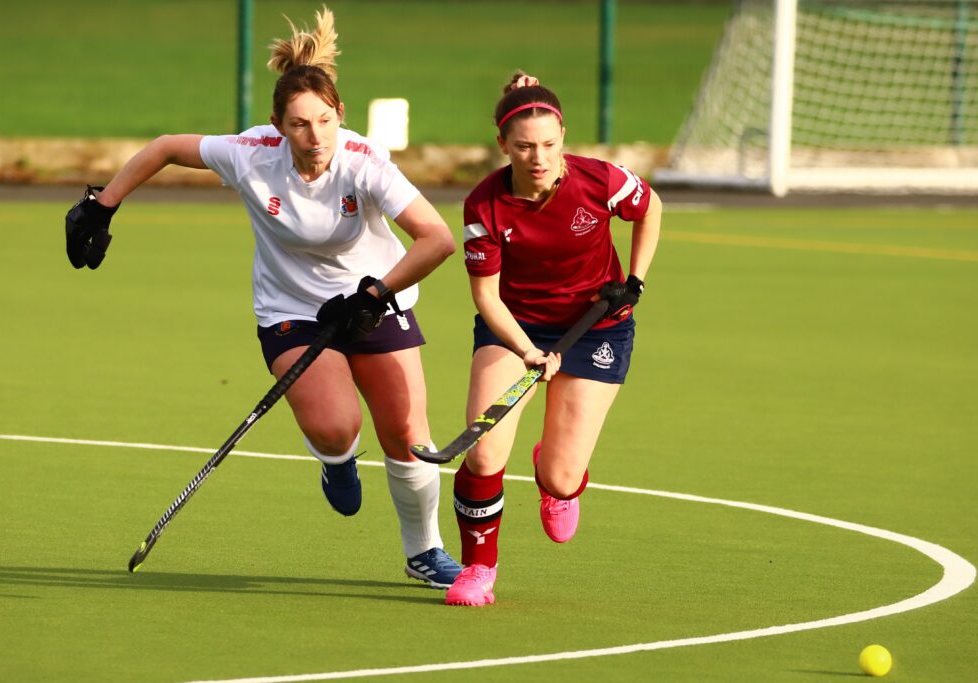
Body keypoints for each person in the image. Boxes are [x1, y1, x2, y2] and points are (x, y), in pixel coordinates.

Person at [63, 6, 463, 588]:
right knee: (335, 426)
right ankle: (336, 462)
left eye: (324, 120)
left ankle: (423, 551)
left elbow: (438, 239)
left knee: (406, 433)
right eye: (299, 124)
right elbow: (166, 147)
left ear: (340, 114)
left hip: (375, 300)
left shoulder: (363, 161)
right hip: (292, 310)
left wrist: (376, 292)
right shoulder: (250, 154)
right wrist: (103, 205)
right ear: (277, 125)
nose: (315, 137)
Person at [444, 72, 663, 606]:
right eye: (523, 147)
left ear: (563, 136)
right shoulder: (484, 206)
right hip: (514, 328)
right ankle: (478, 569)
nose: (538, 158)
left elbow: (650, 207)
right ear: (503, 145)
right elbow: (487, 297)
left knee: (562, 477)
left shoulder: (601, 180)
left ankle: (554, 478)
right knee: (483, 454)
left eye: (547, 144)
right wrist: (527, 351)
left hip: (596, 327)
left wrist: (634, 281)